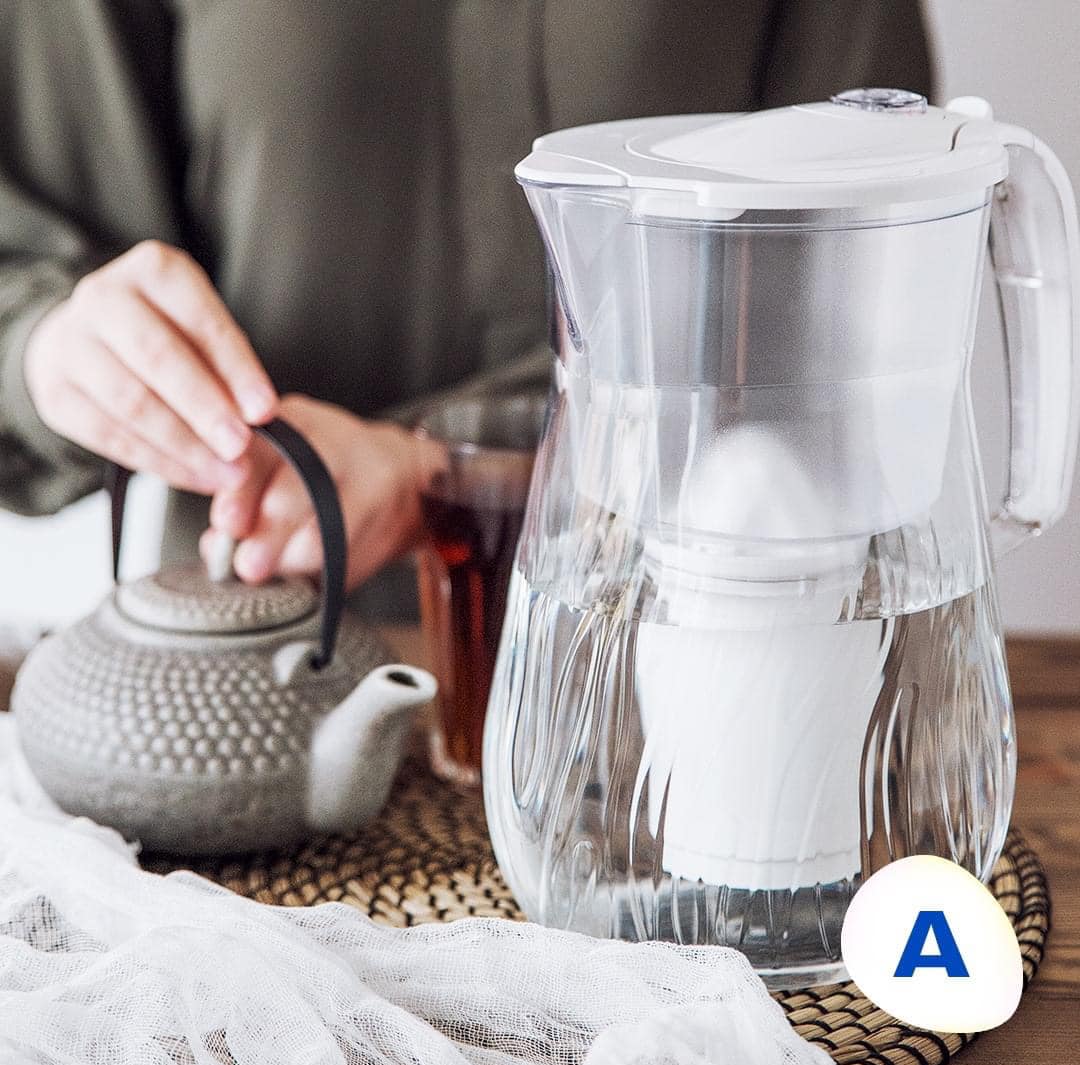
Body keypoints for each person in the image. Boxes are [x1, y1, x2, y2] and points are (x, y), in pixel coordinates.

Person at [0, 1, 932, 612]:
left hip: (721, 642)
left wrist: (435, 472)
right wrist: (52, 343)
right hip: (261, 658)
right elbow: (26, 260)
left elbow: (865, 270)